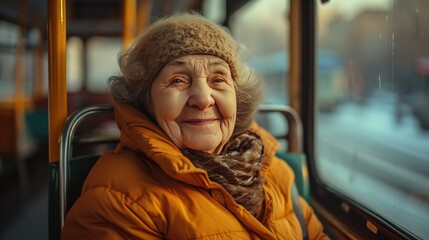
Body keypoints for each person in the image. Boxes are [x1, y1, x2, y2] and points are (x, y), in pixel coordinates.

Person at [61, 12, 330, 240]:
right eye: (178, 80)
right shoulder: (118, 197)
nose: (203, 99)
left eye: (218, 79)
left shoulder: (272, 169)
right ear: (146, 102)